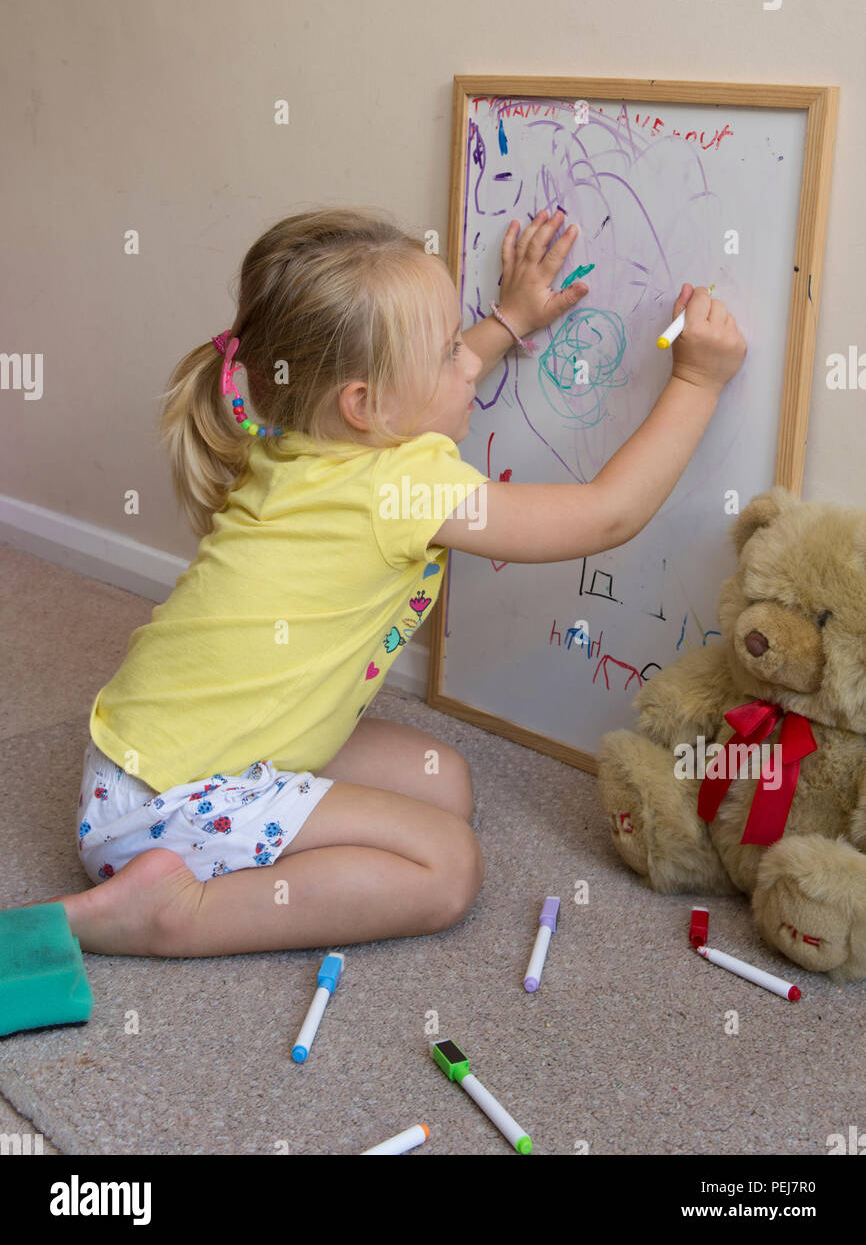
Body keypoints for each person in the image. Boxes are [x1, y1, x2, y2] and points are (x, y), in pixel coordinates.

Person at [56, 205, 746, 958]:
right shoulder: (400, 487)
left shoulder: (299, 432)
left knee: (441, 780)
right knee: (446, 867)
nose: (470, 364)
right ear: (365, 406)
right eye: (451, 351)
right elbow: (604, 517)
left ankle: (206, 855)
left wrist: (509, 318)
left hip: (138, 764)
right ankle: (170, 911)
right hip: (172, 804)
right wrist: (698, 381)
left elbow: (405, 393)